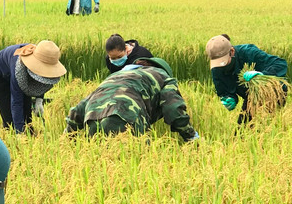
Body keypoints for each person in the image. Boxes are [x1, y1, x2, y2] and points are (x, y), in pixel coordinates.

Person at [65, 57, 199, 141]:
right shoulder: (163, 76)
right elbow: (173, 109)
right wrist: (191, 136)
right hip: (128, 117)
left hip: (92, 118)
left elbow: (78, 109)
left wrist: (68, 137)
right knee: (136, 167)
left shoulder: (115, 76)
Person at [206, 34, 287, 124]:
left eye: (223, 62)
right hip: (251, 97)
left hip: (273, 93)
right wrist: (229, 98)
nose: (220, 66)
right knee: (242, 130)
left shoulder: (248, 53)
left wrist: (262, 75)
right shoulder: (216, 68)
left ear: (232, 51)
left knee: (268, 125)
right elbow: (224, 89)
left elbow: (280, 64)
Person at [0, 41, 66, 133]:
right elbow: (16, 102)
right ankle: (12, 136)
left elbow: (41, 81)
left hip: (15, 72)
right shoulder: (19, 68)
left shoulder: (44, 55)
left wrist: (39, 100)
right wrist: (19, 133)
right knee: (10, 119)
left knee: (27, 118)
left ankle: (30, 135)